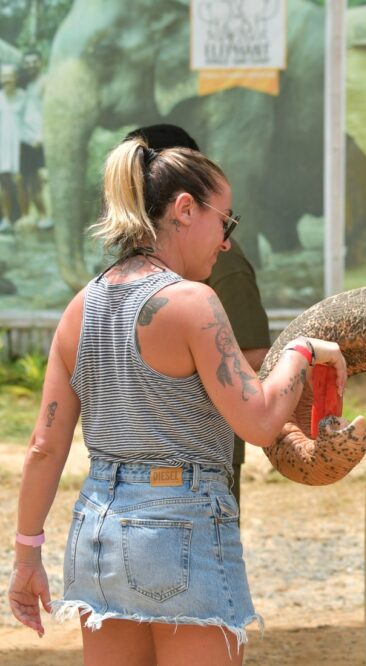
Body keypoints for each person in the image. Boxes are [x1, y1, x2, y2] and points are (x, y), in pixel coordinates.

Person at [7, 136, 346, 663]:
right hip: (181, 524)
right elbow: (258, 421)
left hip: (98, 528)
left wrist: (26, 555)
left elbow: (43, 448)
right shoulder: (193, 303)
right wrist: (301, 350)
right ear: (185, 210)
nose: (227, 242)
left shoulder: (82, 306)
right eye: (225, 222)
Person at [126, 124, 270, 511]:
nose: (224, 238)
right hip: (141, 468)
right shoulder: (123, 274)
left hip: (203, 463)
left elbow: (255, 354)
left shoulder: (220, 260)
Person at [17, 50, 51, 230]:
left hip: (41, 138)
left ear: (40, 62)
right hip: (26, 139)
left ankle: (48, 216)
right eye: (27, 63)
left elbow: (51, 111)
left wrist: (43, 135)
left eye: (34, 62)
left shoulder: (46, 83)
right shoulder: (26, 85)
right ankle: (40, 216)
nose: (30, 66)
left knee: (43, 178)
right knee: (30, 179)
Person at [0, 64, 22, 232]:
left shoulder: (24, 96)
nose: (8, 79)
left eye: (11, 75)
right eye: (4, 76)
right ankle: (6, 219)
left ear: (16, 78)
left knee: (22, 182)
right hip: (3, 145)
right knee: (4, 184)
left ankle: (25, 219)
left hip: (23, 146)